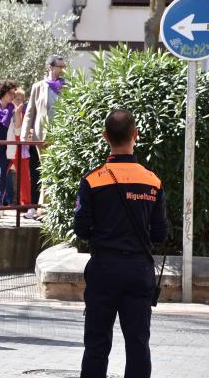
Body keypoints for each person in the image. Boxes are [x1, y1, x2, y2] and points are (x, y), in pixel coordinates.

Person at [74, 109, 168, 378]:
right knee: (138, 344)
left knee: (96, 345)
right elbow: (160, 234)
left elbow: (81, 228)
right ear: (135, 135)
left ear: (106, 137)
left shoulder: (92, 181)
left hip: (104, 268)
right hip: (139, 270)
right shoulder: (152, 181)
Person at [22, 54, 66, 219]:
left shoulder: (66, 86)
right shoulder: (38, 86)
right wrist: (25, 135)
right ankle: (43, 208)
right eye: (59, 66)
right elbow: (30, 113)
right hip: (42, 136)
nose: (62, 70)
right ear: (50, 67)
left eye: (63, 67)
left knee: (54, 171)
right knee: (47, 170)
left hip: (61, 135)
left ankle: (44, 207)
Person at [0, 80, 24, 218]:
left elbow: (18, 131)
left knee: (2, 176)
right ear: (3, 92)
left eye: (14, 94)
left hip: (7, 147)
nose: (13, 97)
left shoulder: (13, 109)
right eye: (11, 93)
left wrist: (18, 113)